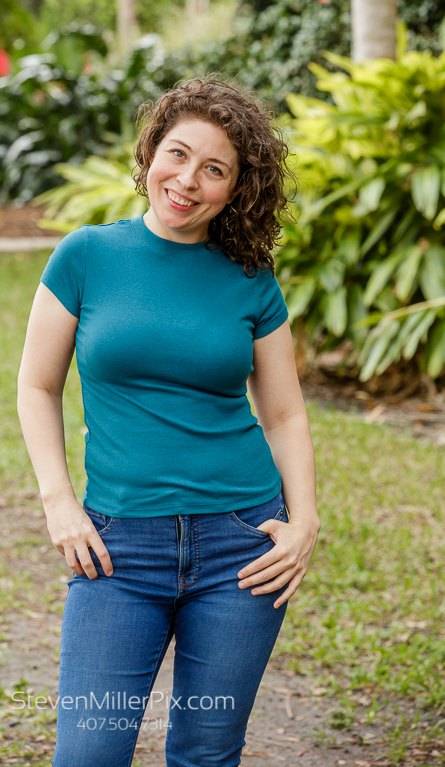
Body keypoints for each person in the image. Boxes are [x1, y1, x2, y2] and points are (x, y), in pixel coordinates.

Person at [17, 75, 320, 767]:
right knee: (87, 754)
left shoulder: (251, 279)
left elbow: (284, 411)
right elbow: (37, 384)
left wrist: (303, 522)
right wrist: (59, 502)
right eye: (177, 153)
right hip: (118, 548)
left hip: (241, 548)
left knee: (207, 753)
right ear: (152, 150)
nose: (188, 179)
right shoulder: (88, 254)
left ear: (237, 187)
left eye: (215, 168)